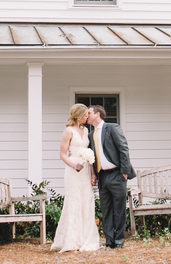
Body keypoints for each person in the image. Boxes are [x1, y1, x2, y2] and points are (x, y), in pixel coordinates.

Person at [50, 104, 99, 252]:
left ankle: (85, 239)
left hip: (85, 171)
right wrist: (73, 164)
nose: (87, 117)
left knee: (86, 201)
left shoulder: (86, 130)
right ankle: (72, 240)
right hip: (73, 171)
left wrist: (92, 173)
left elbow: (89, 155)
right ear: (78, 116)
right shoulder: (68, 131)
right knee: (74, 202)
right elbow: (62, 154)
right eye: (85, 115)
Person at [86, 104, 135, 249]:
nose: (86, 115)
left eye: (89, 113)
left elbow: (123, 149)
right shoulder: (90, 135)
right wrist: (94, 175)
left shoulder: (112, 128)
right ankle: (109, 240)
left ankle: (119, 241)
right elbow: (92, 157)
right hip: (103, 177)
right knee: (105, 209)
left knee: (119, 209)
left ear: (97, 114)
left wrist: (124, 173)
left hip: (117, 174)